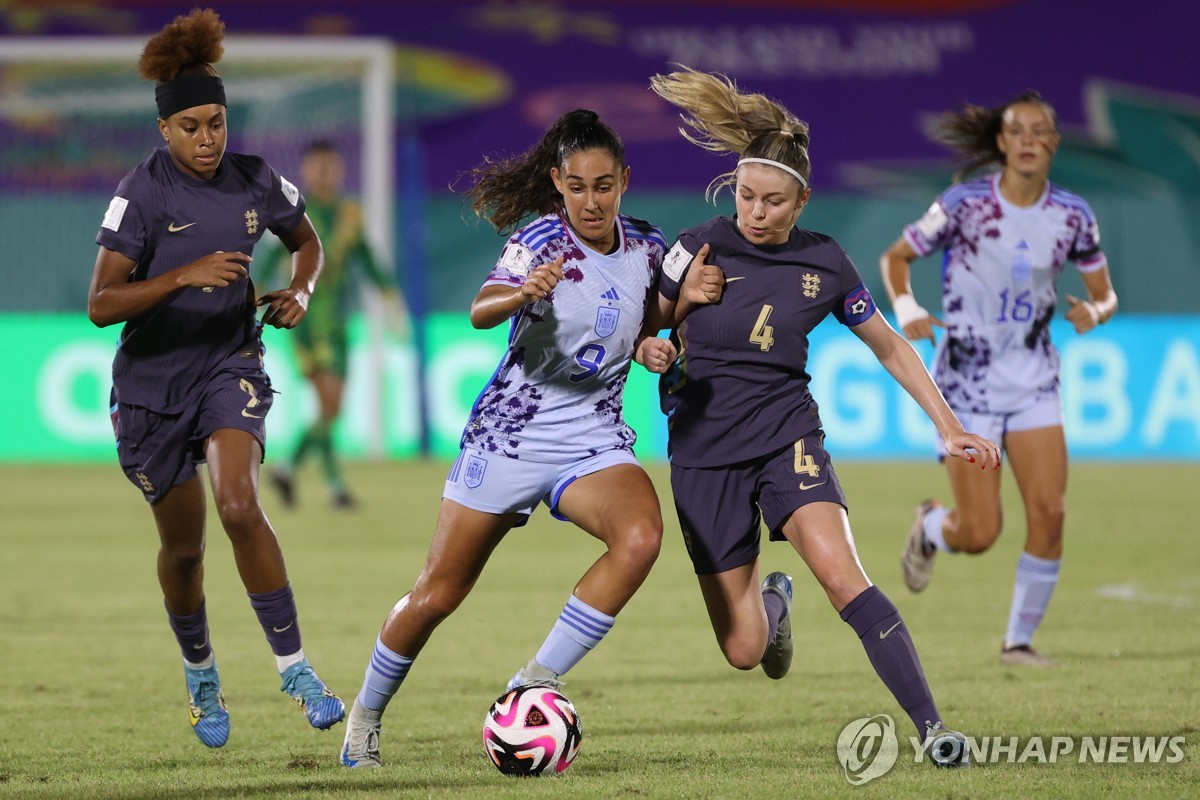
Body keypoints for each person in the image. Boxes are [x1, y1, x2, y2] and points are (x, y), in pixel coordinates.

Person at [646, 66, 1003, 763]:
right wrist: (673, 319)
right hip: (702, 453)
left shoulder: (826, 262)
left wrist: (949, 425)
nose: (756, 211)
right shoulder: (695, 246)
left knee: (845, 578)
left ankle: (934, 729)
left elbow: (891, 348)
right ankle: (773, 604)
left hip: (787, 438)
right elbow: (646, 334)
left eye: (773, 201)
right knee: (745, 649)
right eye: (747, 196)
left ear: (801, 200)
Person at [338, 109, 688, 768]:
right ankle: (367, 714)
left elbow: (641, 325)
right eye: (578, 185)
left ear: (624, 182)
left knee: (640, 537)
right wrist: (521, 291)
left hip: (592, 438)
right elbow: (481, 307)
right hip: (510, 435)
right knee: (438, 593)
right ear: (558, 182)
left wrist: (649, 349)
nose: (591, 199)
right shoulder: (540, 239)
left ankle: (533, 681)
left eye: (604, 185)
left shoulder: (646, 245)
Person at [87, 8, 344, 749]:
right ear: (165, 130)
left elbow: (307, 240)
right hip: (150, 388)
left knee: (238, 504)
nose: (208, 140)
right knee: (186, 550)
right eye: (192, 127)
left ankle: (295, 669)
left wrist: (302, 290)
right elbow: (101, 304)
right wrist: (182, 276)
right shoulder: (140, 195)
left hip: (229, 365)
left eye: (217, 124)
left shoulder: (256, 180)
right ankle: (201, 672)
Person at [879, 90, 1118, 667]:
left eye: (1042, 131)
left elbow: (1104, 291)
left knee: (1051, 514)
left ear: (1054, 143)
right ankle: (933, 526)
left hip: (1034, 379)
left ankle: (1019, 642)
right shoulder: (963, 204)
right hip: (967, 385)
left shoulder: (1073, 215)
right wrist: (907, 307)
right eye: (1019, 131)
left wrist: (1099, 311)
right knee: (981, 533)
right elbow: (895, 259)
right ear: (1002, 142)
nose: (1030, 140)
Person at [265, 139, 408, 511]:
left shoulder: (349, 215)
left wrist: (393, 305)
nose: (325, 173)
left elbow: (369, 261)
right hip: (303, 320)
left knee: (330, 408)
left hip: (339, 322)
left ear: (341, 170)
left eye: (331, 166)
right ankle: (327, 484)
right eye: (318, 167)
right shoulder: (292, 213)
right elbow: (265, 265)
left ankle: (301, 473)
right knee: (330, 402)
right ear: (306, 172)